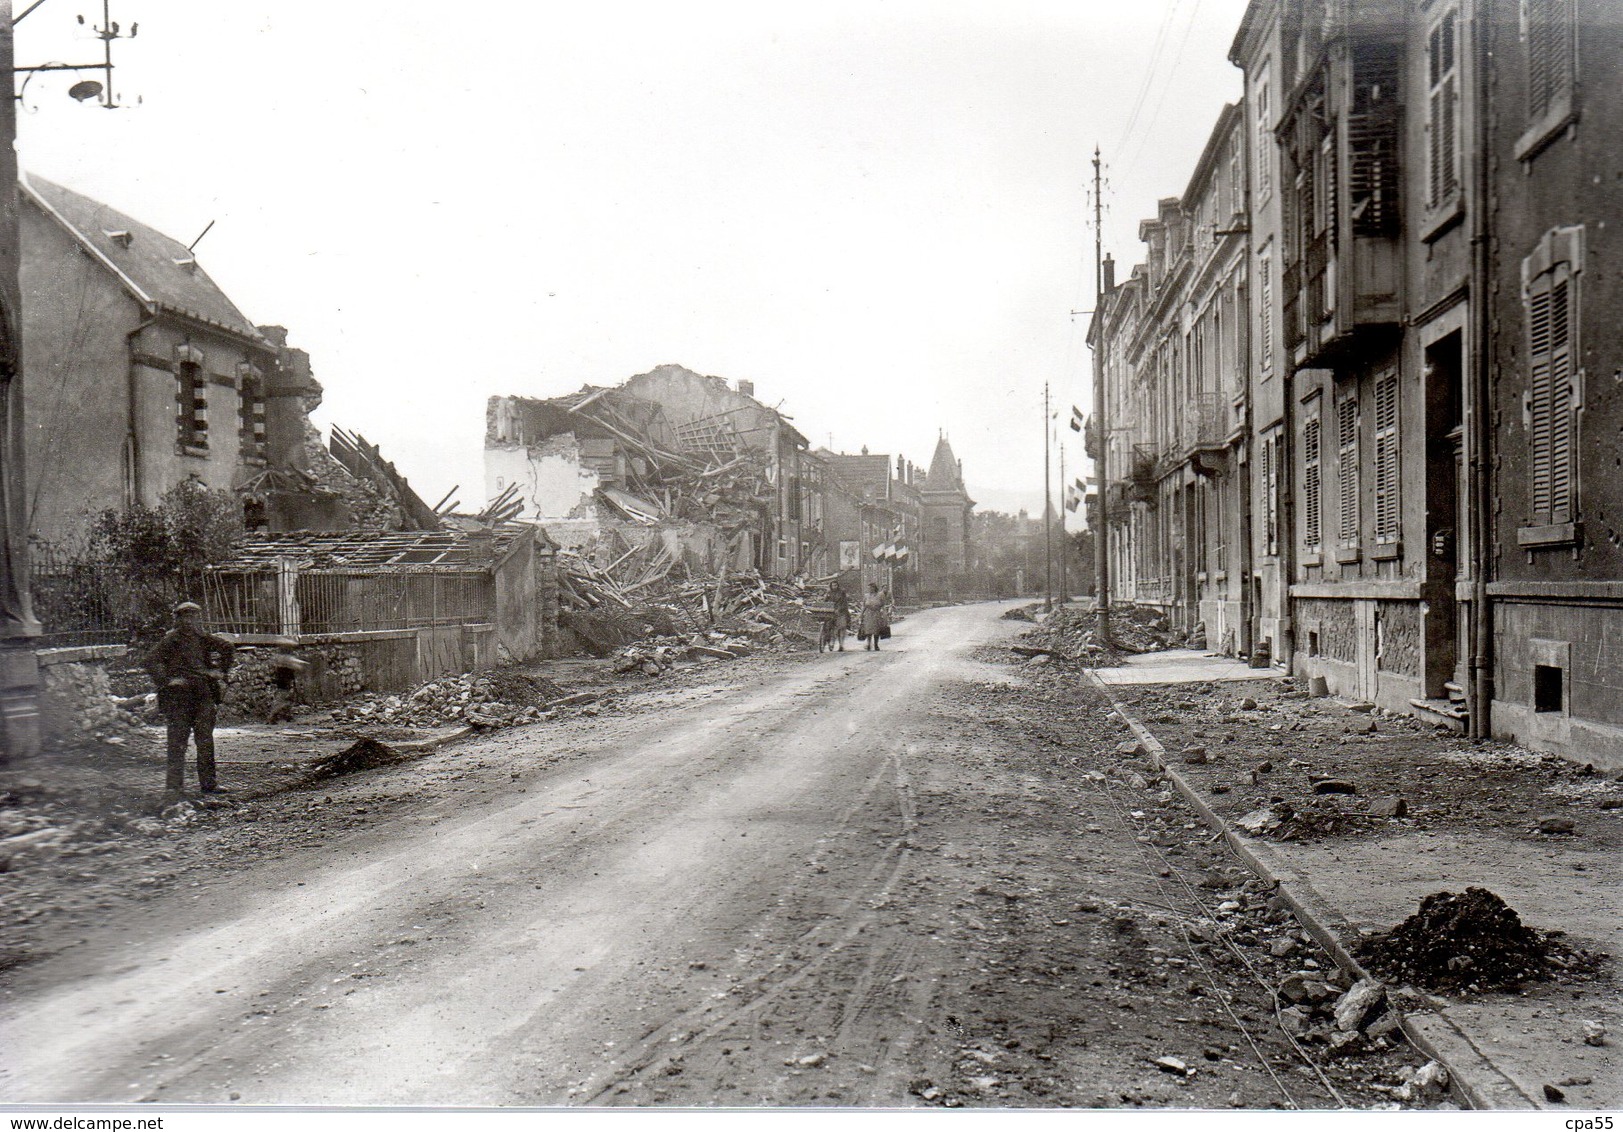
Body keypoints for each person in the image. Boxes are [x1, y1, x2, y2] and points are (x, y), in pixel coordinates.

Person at [144, 601, 235, 795]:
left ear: (198, 619)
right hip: (179, 698)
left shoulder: (202, 638)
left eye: (193, 616)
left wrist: (220, 672)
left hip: (202, 695)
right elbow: (150, 660)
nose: (189, 621)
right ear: (178, 620)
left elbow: (227, 648)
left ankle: (209, 784)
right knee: (177, 741)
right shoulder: (171, 640)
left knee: (205, 740)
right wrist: (168, 681)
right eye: (185, 616)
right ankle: (174, 787)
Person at [266, 640, 309, 723]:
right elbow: (295, 664)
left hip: (284, 680)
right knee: (282, 700)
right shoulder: (284, 658)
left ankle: (287, 716)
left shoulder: (280, 657)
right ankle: (272, 717)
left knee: (287, 699)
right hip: (284, 681)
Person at [821, 581, 850, 653]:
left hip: (841, 612)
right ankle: (831, 643)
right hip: (831, 612)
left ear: (838, 585)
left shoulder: (842, 592)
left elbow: (844, 602)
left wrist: (840, 609)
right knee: (831, 628)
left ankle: (841, 645)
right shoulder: (829, 593)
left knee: (842, 628)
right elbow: (825, 602)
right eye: (833, 585)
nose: (834, 587)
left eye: (835, 585)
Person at [858, 581, 885, 651]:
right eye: (868, 588)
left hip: (876, 613)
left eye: (871, 588)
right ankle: (869, 644)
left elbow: (883, 605)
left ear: (874, 588)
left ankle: (876, 644)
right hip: (868, 614)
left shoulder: (880, 595)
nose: (869, 589)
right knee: (868, 630)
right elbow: (864, 606)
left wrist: (883, 613)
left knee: (876, 630)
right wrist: (861, 614)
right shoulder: (866, 595)